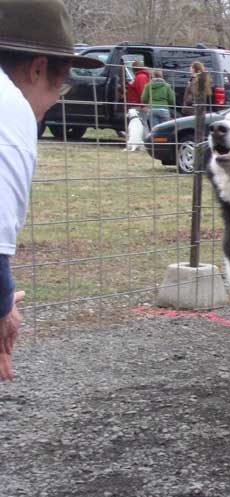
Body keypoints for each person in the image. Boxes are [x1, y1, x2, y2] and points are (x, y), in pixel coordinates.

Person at [0, 0, 103, 381]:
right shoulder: (9, 107)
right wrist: (3, 310)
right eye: (59, 86)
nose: (54, 101)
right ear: (38, 67)